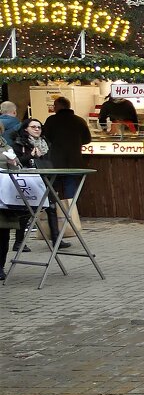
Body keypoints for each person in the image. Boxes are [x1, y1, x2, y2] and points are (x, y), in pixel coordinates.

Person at [12, 118, 66, 249]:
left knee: (52, 208)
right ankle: (19, 243)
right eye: (33, 127)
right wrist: (31, 155)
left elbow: (49, 161)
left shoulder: (45, 142)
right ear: (26, 129)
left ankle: (56, 240)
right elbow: (16, 162)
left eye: (39, 127)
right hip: (30, 180)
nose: (37, 129)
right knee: (27, 211)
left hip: (45, 179)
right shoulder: (19, 143)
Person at [41, 97, 91, 203]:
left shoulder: (52, 120)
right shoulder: (79, 120)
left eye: (55, 105)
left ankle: (53, 211)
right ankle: (71, 212)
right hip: (74, 159)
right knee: (70, 184)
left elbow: (45, 138)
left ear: (59, 106)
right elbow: (87, 139)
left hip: (55, 160)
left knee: (53, 186)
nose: (53, 108)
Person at [0, 136, 30, 279]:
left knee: (3, 234)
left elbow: (18, 170)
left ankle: (0, 268)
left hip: (4, 197)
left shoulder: (7, 148)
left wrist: (13, 164)